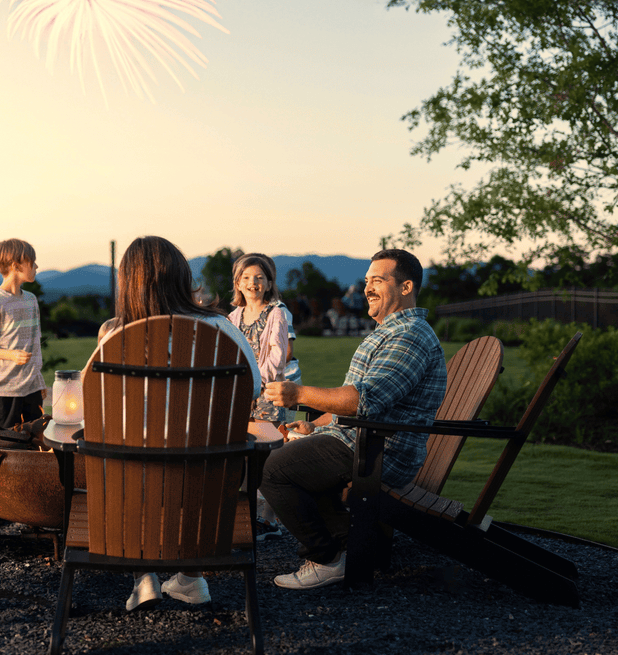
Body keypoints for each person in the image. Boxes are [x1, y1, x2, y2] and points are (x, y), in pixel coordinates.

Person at [91, 236, 263, 612]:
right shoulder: (222, 329)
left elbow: (90, 404)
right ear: (183, 277)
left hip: (134, 488)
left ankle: (144, 577)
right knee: (204, 462)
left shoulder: (114, 334)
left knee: (122, 460)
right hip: (208, 490)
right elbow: (255, 387)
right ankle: (191, 578)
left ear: (127, 284)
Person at [262, 248, 447, 590]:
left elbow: (365, 399)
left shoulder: (409, 336)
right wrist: (315, 425)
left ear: (406, 287)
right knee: (292, 458)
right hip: (364, 440)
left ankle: (326, 558)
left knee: (274, 470)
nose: (367, 288)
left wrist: (298, 394)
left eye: (379, 280)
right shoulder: (388, 332)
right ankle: (354, 545)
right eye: (366, 281)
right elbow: (357, 400)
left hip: (380, 451)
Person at [225, 252, 291, 541]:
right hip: (239, 395)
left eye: (259, 278)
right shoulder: (232, 317)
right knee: (242, 453)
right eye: (247, 277)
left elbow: (276, 356)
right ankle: (244, 514)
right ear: (237, 283)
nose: (253, 283)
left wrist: (255, 385)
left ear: (268, 283)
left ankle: (269, 520)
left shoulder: (276, 313)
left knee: (269, 456)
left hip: (267, 394)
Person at [0, 238, 46, 428]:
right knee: (3, 446)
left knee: (33, 446)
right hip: (0, 392)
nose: (36, 266)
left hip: (31, 390)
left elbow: (34, 344)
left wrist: (39, 381)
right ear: (16, 265)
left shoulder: (31, 300)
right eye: (32, 261)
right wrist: (10, 355)